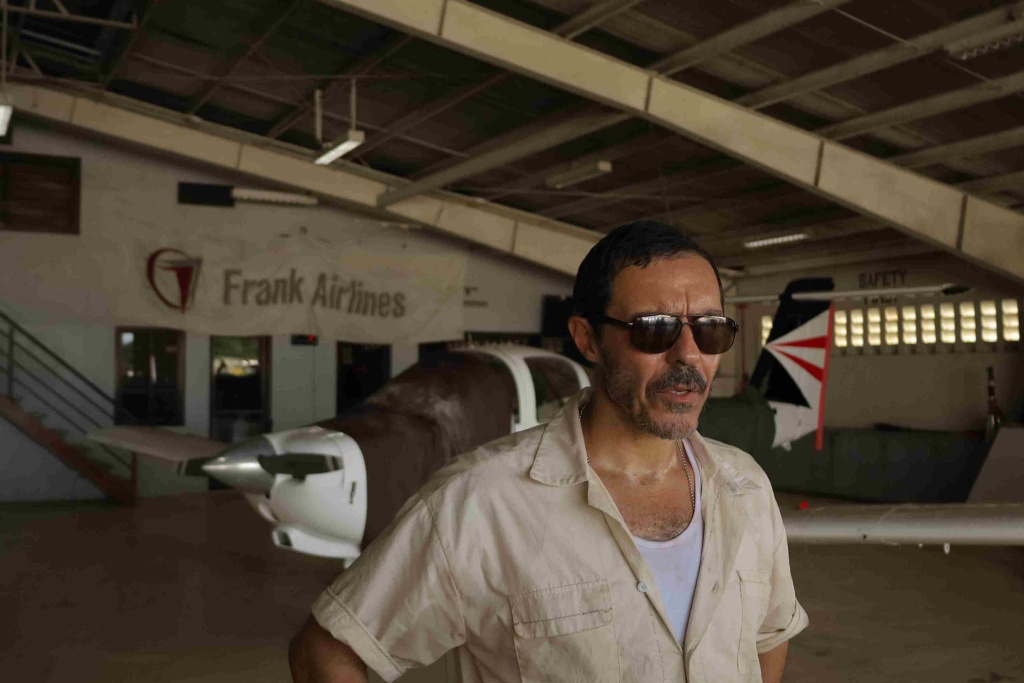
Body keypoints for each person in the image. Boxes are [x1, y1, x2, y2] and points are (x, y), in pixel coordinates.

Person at [289, 220, 808, 683]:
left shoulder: (745, 488)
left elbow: (769, 636)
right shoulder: (481, 502)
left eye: (710, 329)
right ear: (587, 338)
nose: (689, 355)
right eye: (654, 329)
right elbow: (326, 653)